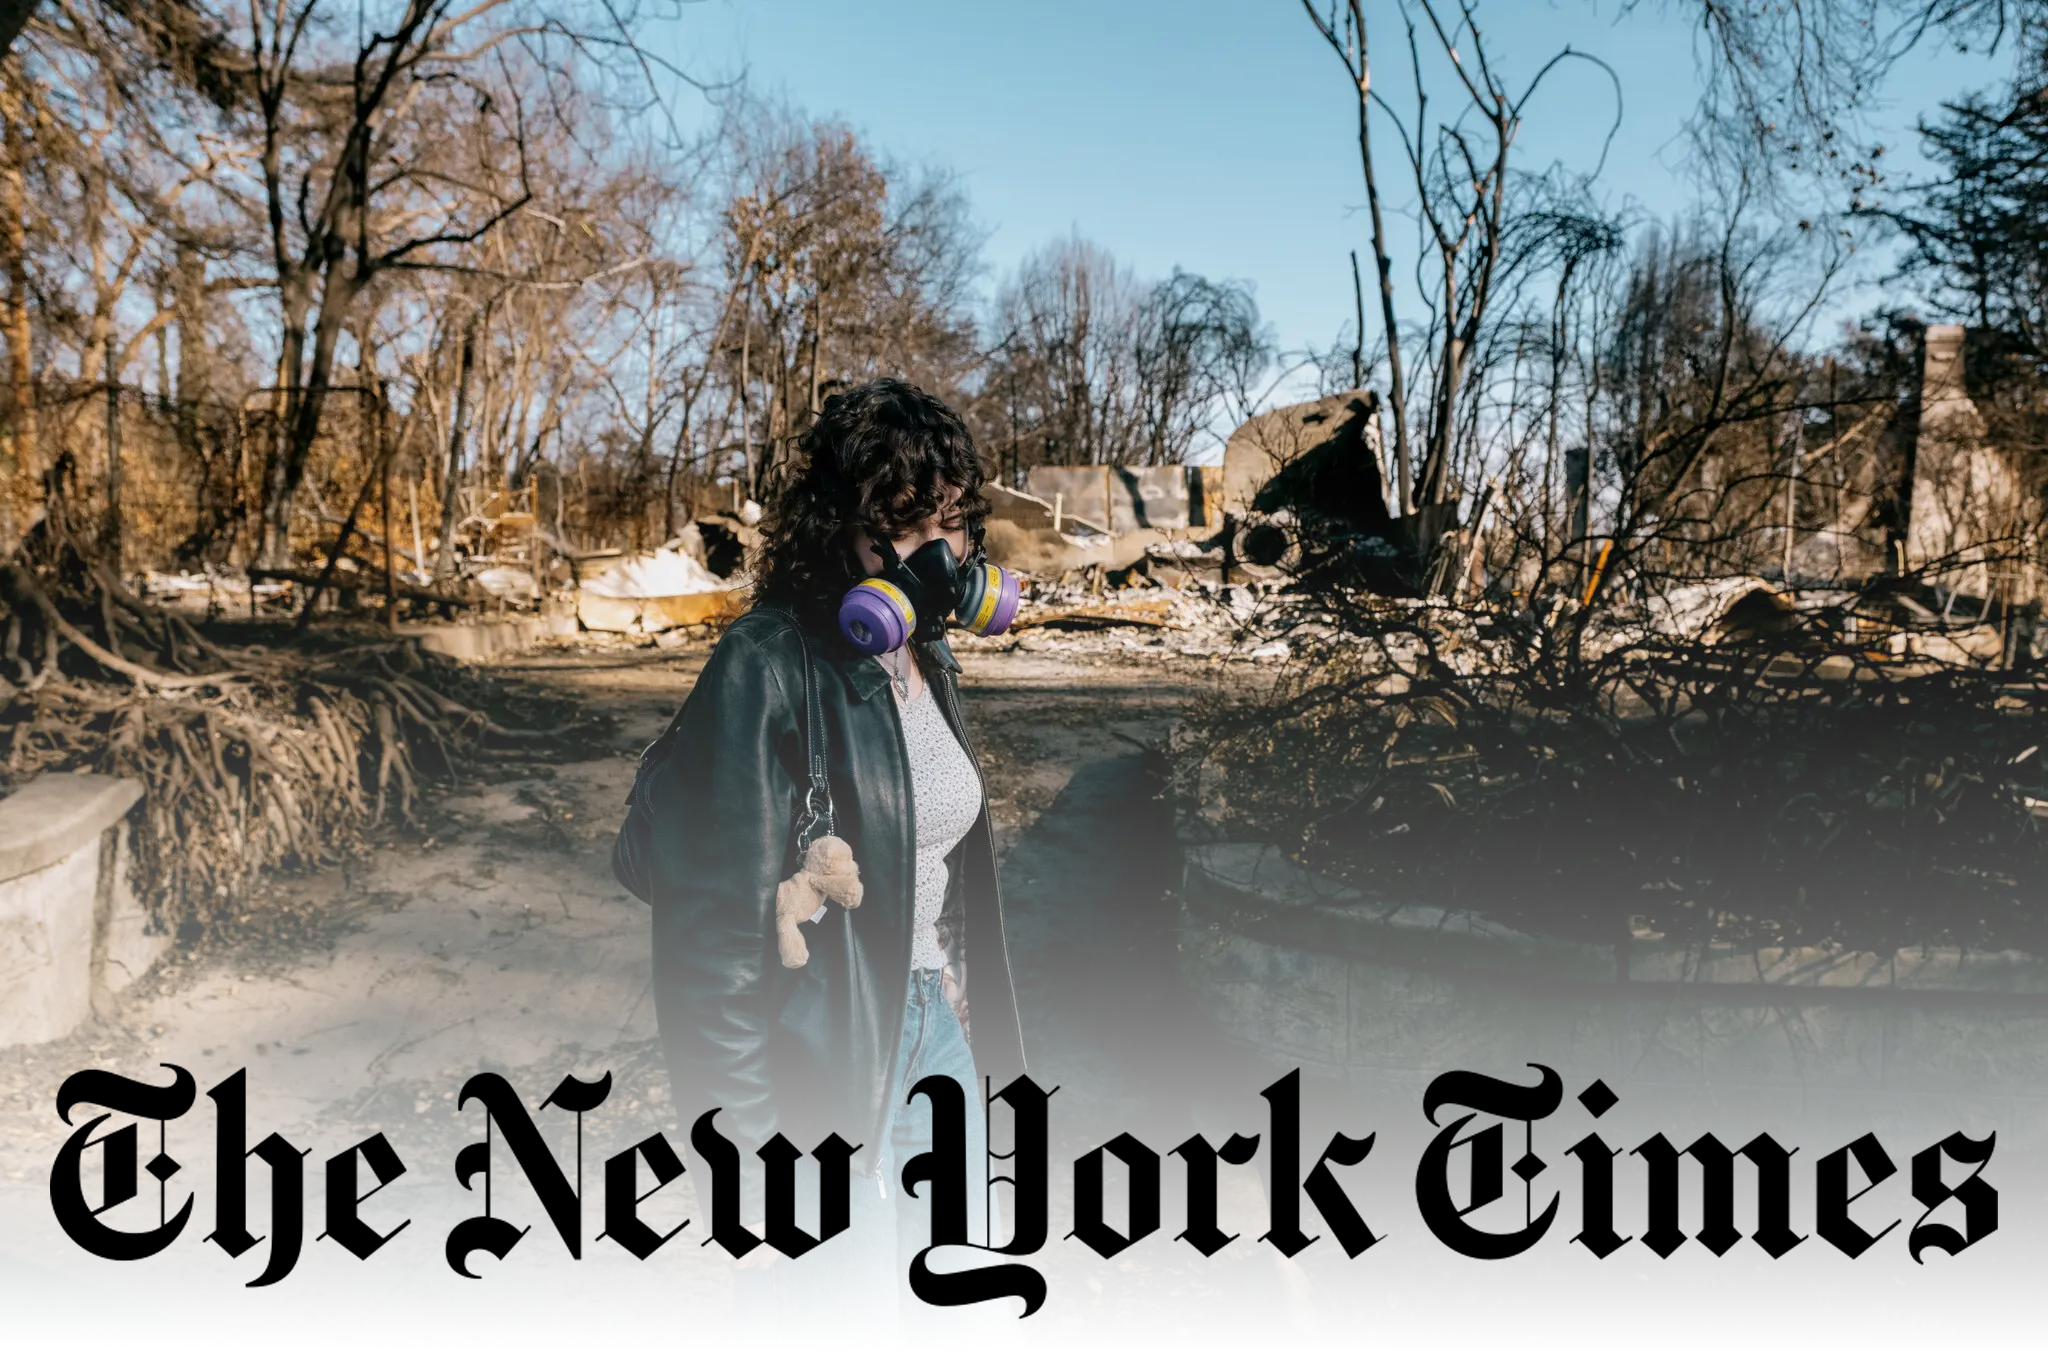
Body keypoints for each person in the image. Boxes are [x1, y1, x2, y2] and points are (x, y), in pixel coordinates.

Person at [646, 378, 1027, 1326]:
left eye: (950, 521)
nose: (934, 554)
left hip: (934, 1023)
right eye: (900, 527)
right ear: (840, 531)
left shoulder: (926, 657)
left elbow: (930, 854)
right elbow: (705, 940)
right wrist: (740, 1162)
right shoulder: (768, 663)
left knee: (959, 1304)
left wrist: (956, 981)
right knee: (843, 1319)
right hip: (820, 1048)